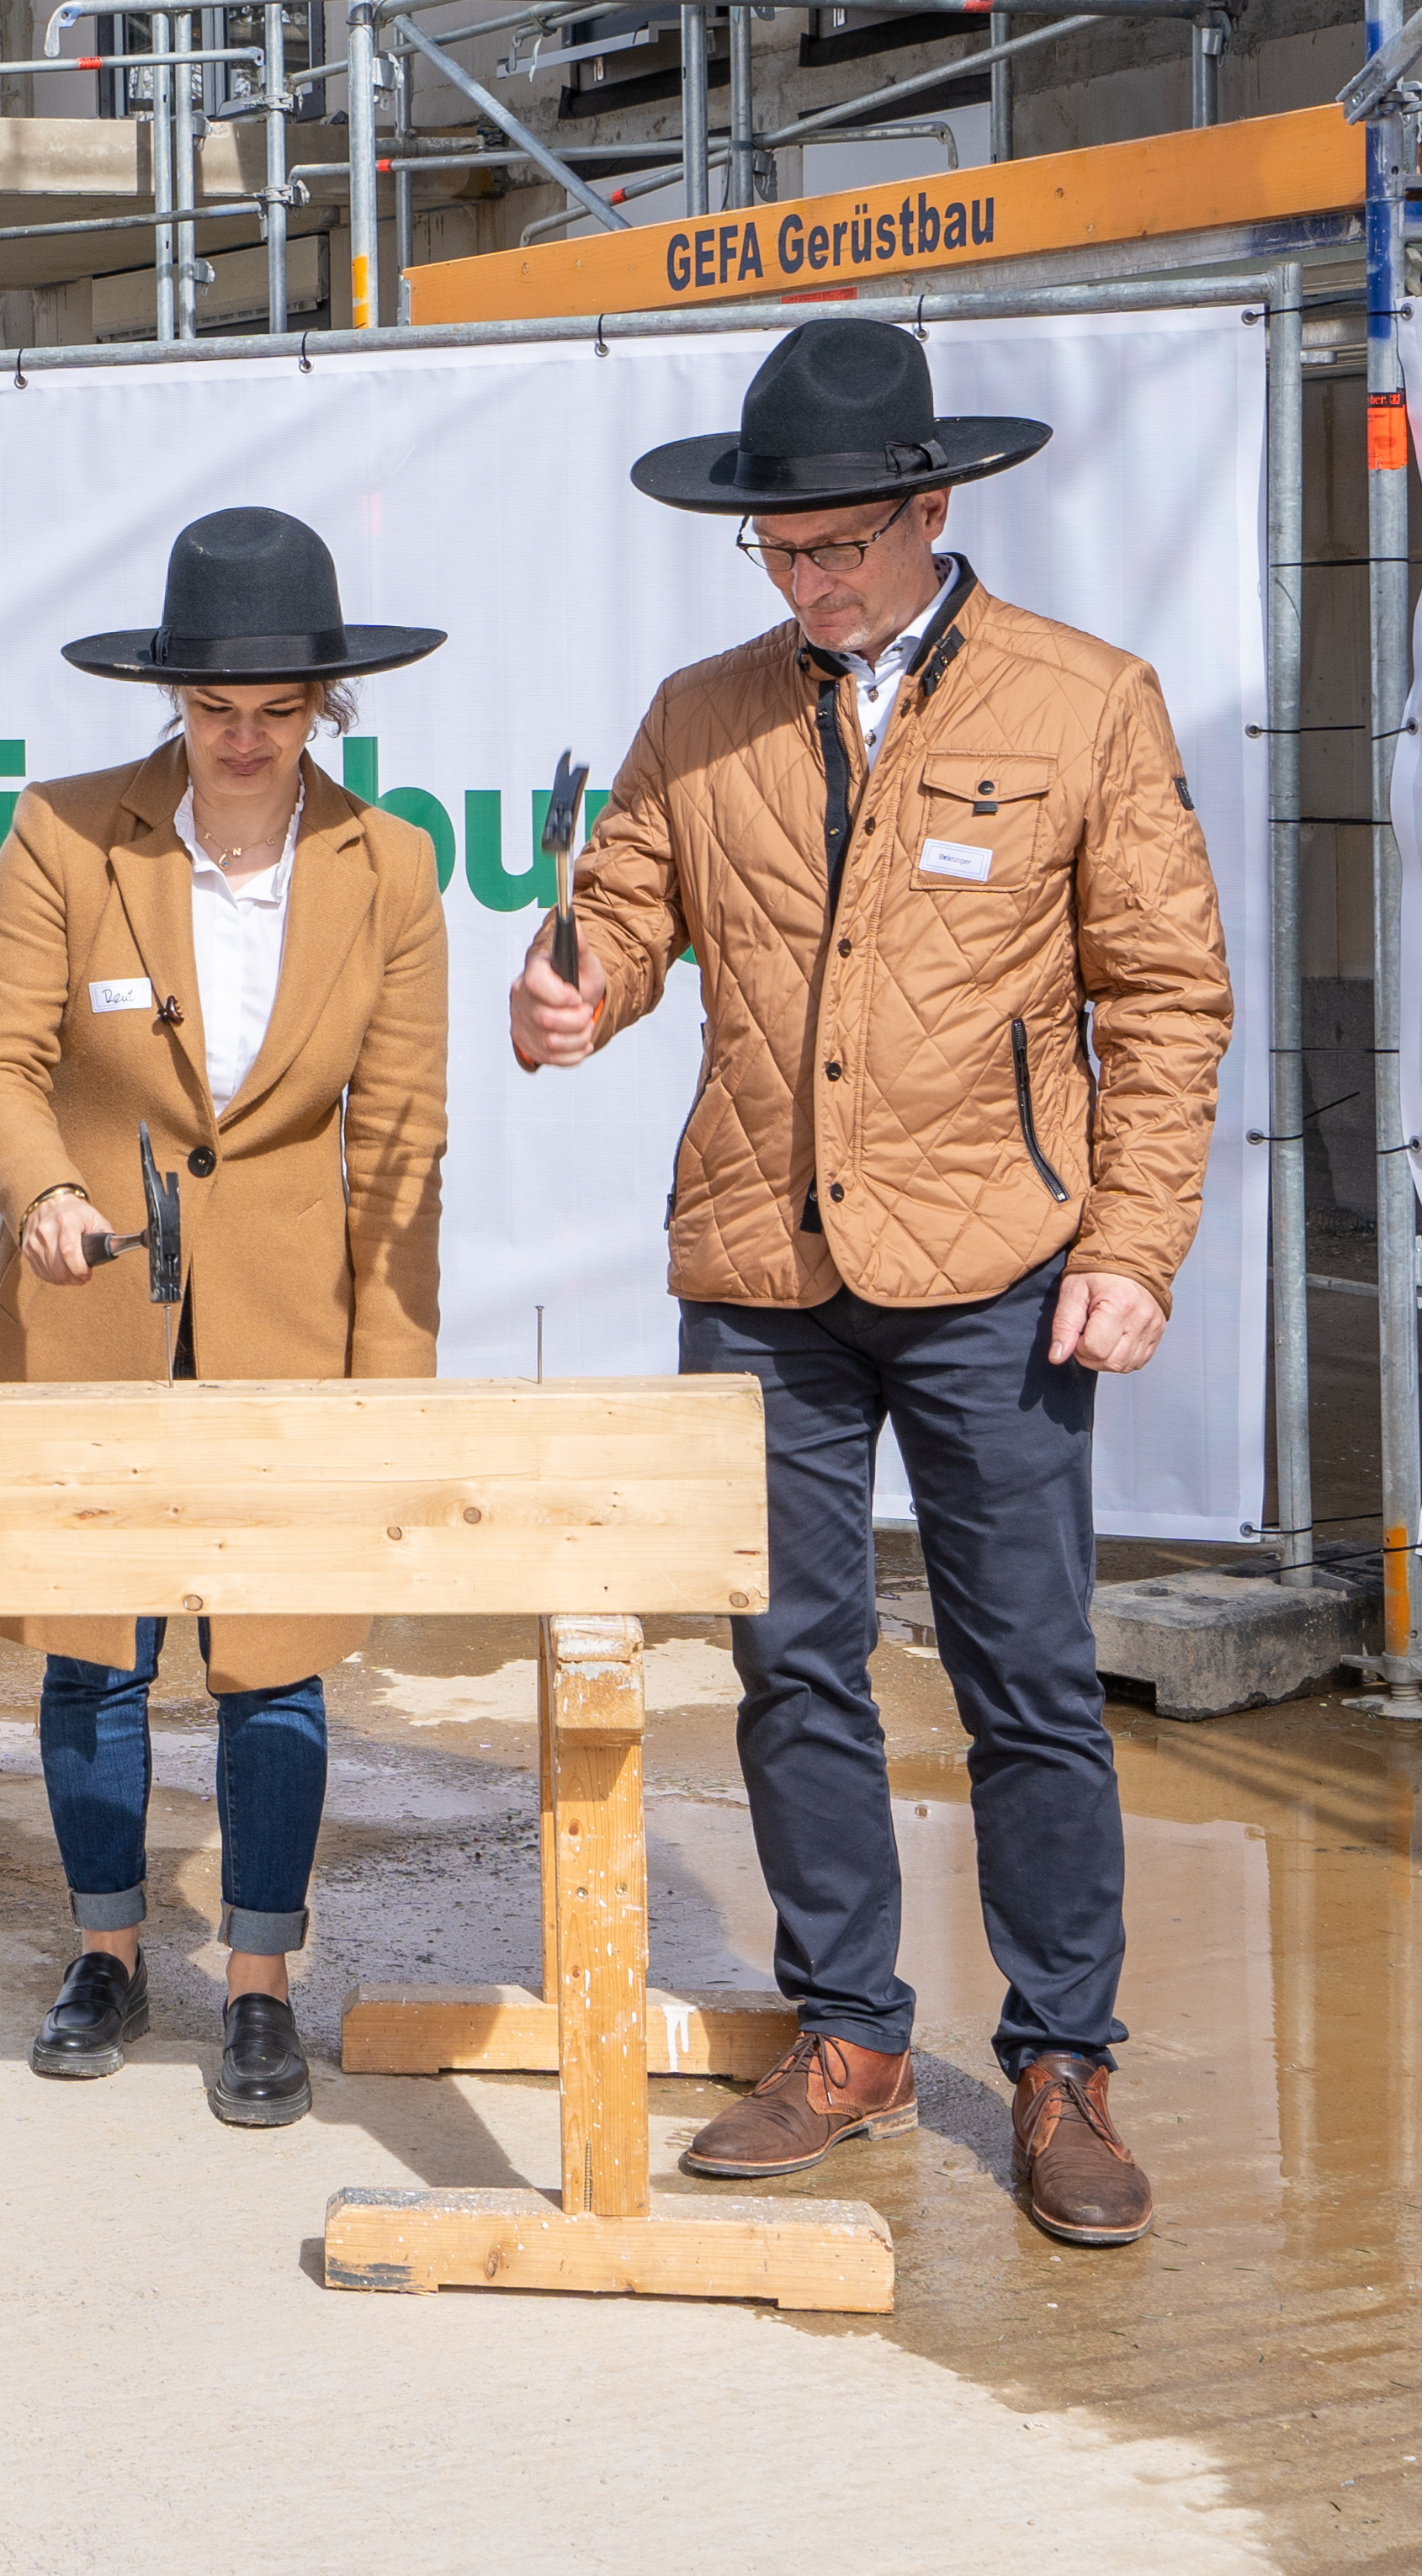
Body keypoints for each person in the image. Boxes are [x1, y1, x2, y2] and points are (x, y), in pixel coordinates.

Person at [511, 315, 1228, 2249]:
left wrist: (1136, 1243)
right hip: (760, 1265)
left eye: (837, 543)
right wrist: (573, 984)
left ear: (932, 508)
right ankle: (849, 2034)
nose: (807, 579)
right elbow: (630, 911)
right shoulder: (701, 709)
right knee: (788, 1660)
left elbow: (1164, 997)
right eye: (777, 547)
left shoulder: (1085, 704)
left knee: (1027, 1675)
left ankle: (1064, 2058)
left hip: (1002, 1266)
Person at [0, 506, 451, 2129]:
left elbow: (405, 1136)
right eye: (213, 710)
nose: (242, 742)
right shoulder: (66, 839)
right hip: (88, 1315)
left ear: (328, 708)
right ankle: (104, 1952)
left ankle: (258, 1980)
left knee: (275, 1671)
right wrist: (40, 1192)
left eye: (277, 713)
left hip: (294, 1329)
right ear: (168, 698)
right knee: (97, 1661)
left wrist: (395, 1378)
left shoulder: (392, 867)